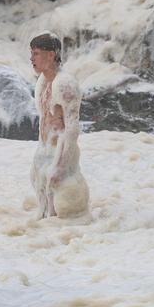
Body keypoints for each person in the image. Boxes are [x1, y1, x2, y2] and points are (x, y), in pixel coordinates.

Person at [29, 33, 89, 219]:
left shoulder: (65, 84)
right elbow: (44, 120)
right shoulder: (42, 82)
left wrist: (61, 166)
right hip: (45, 150)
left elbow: (72, 129)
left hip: (61, 153)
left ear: (51, 55)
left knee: (62, 213)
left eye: (36, 54)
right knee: (42, 201)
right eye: (31, 53)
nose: (31, 59)